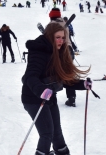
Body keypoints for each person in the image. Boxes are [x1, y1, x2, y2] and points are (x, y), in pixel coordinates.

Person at [21, 22, 91, 155]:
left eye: (63, 38)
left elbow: (63, 78)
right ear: (49, 36)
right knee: (47, 133)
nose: (61, 41)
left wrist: (82, 84)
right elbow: (30, 77)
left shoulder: (58, 52)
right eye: (57, 37)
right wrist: (42, 90)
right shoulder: (39, 51)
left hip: (49, 97)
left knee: (57, 132)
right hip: (33, 98)